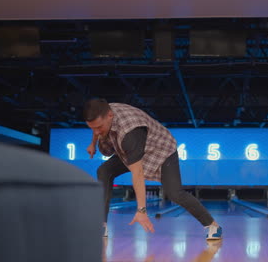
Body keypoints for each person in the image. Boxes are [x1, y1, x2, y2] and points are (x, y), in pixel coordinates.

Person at [83, 98, 222, 240]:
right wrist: (92, 144)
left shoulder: (130, 133)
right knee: (104, 171)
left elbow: (137, 173)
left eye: (99, 127)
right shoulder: (103, 112)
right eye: (92, 128)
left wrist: (141, 210)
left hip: (161, 150)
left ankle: (213, 225)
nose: (96, 131)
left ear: (110, 115)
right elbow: (96, 129)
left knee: (174, 193)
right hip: (134, 149)